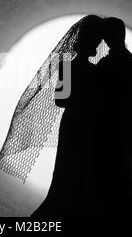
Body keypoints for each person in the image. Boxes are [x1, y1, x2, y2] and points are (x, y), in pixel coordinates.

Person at [32, 15, 105, 217]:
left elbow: (61, 100)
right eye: (97, 40)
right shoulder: (83, 69)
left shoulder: (70, 66)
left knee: (73, 166)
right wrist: (88, 102)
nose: (99, 44)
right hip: (80, 124)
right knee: (75, 166)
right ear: (90, 40)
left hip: (77, 123)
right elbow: (60, 99)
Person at [92, 17, 132, 217]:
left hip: (118, 127)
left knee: (119, 174)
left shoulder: (123, 64)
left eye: (110, 35)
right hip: (114, 127)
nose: (108, 40)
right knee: (115, 175)